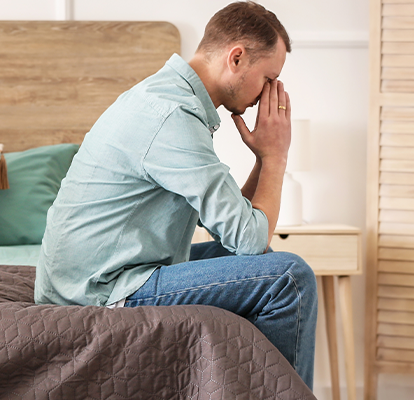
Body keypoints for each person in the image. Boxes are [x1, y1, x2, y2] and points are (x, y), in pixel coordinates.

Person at [34, 1, 317, 387]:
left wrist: (263, 159)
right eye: (269, 78)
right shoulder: (172, 116)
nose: (269, 93)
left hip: (100, 274)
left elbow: (236, 230)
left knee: (267, 259)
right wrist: (276, 156)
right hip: (99, 290)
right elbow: (250, 239)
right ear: (237, 58)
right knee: (289, 278)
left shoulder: (170, 101)